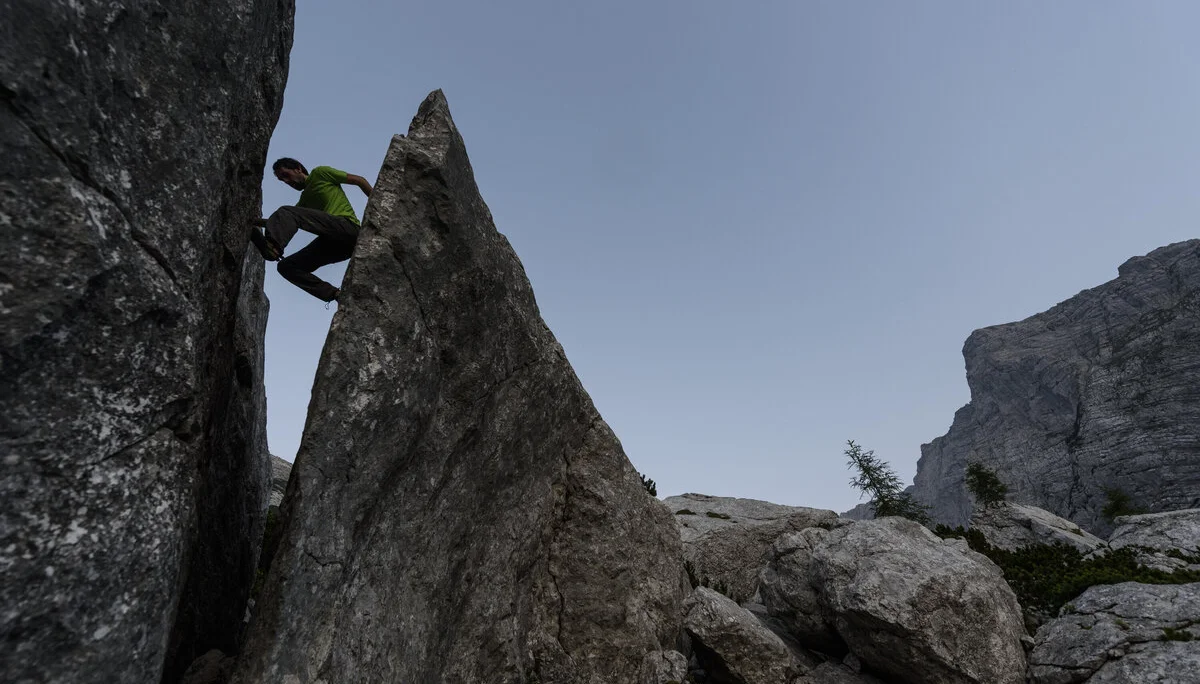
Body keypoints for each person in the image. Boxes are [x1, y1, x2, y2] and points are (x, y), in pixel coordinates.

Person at [251, 157, 373, 303]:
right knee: (286, 267)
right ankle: (336, 294)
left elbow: (359, 180)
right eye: (281, 180)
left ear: (298, 169)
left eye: (286, 175)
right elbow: (281, 221)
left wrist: (377, 205)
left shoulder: (320, 173)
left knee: (287, 211)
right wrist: (252, 221)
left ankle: (272, 246)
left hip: (347, 228)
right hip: (337, 245)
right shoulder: (304, 200)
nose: (286, 181)